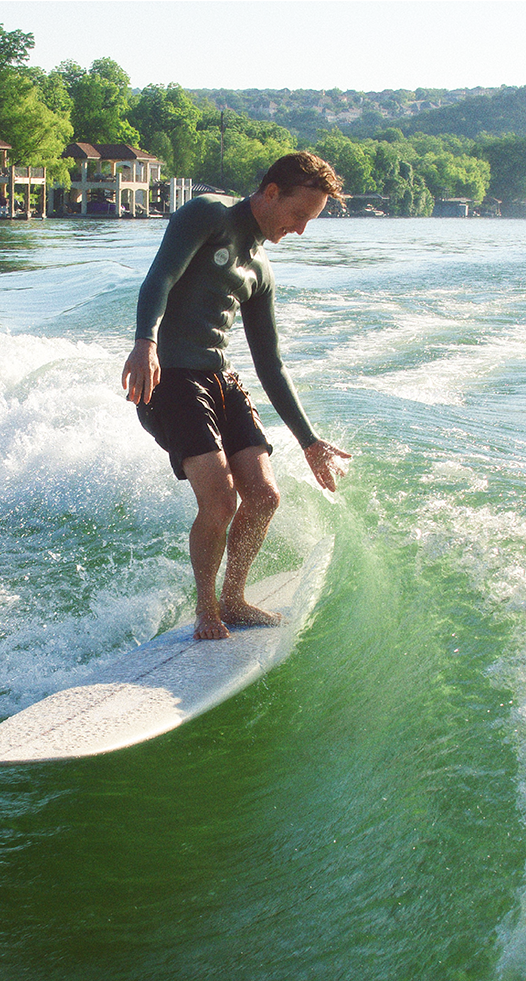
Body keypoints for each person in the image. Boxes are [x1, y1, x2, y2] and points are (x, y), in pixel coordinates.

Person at [121, 151, 352, 641]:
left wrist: (310, 441)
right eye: (299, 215)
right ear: (272, 192)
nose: (300, 230)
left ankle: (235, 598)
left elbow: (271, 364)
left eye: (309, 221)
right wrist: (145, 343)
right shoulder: (209, 214)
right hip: (171, 377)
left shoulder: (261, 270)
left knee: (265, 497)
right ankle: (207, 609)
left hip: (220, 379)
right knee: (222, 501)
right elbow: (159, 277)